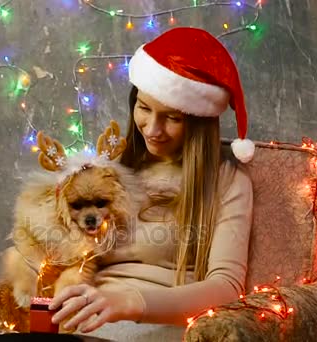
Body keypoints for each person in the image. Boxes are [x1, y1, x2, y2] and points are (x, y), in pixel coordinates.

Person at [48, 27, 255, 340]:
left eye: (172, 118)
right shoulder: (107, 172)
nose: (153, 129)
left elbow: (226, 289)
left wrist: (132, 302)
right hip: (86, 319)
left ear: (198, 121)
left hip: (156, 326)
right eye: (144, 108)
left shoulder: (228, 183)